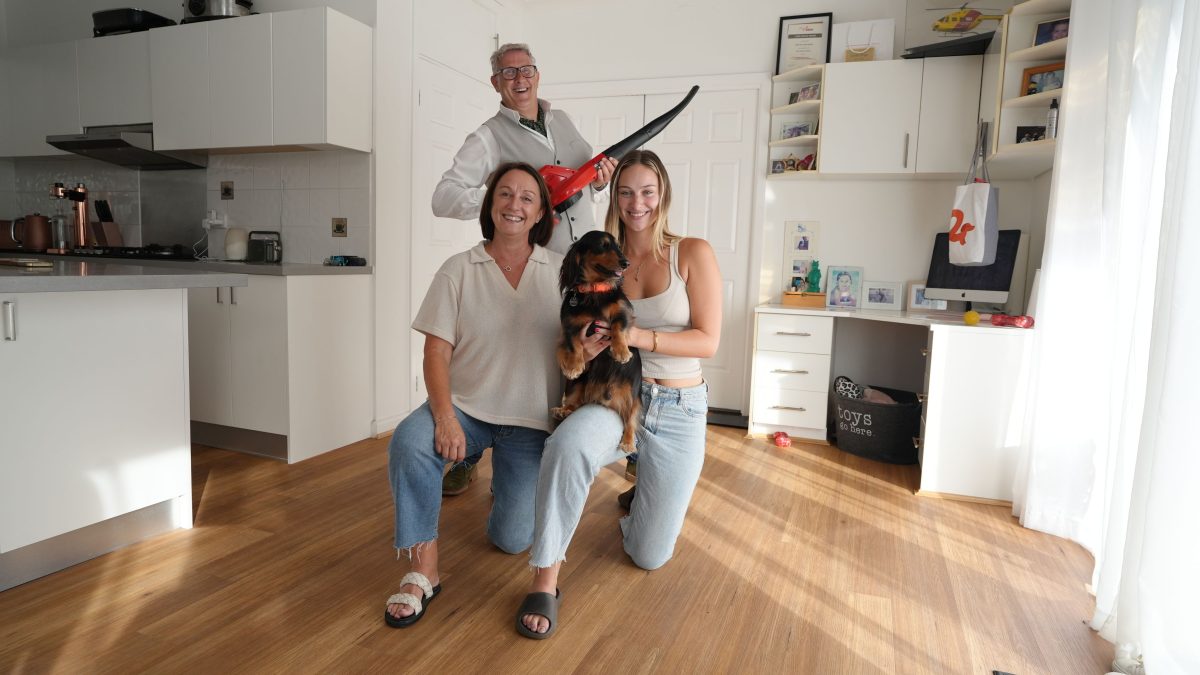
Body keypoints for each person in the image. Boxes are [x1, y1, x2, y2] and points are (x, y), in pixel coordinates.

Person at [383, 162, 608, 628]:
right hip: (465, 410)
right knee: (408, 441)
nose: (515, 205)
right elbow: (435, 352)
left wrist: (585, 353)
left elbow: (575, 352)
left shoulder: (562, 274)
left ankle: (493, 481)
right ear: (490, 205)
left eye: (527, 197)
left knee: (511, 539)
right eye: (505, 194)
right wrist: (443, 417)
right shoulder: (458, 269)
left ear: (542, 211)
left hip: (529, 421)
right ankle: (422, 572)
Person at [515, 149, 722, 639]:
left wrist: (640, 337)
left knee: (648, 556)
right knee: (565, 445)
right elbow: (579, 340)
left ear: (663, 194)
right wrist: (585, 350)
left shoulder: (692, 252)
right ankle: (546, 577)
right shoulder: (601, 261)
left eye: (647, 191)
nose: (637, 202)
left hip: (677, 405)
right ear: (615, 196)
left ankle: (643, 494)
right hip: (612, 394)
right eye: (626, 191)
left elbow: (708, 341)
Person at [432, 42, 617, 496]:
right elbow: (444, 196)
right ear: (495, 82)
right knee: (513, 359)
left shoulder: (563, 121)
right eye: (508, 72)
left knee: (587, 350)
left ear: (538, 74)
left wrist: (601, 180)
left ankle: (605, 443)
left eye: (526, 69)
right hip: (538, 269)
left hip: (588, 267)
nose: (519, 79)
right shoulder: (488, 136)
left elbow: (582, 185)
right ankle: (469, 451)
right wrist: (511, 196)